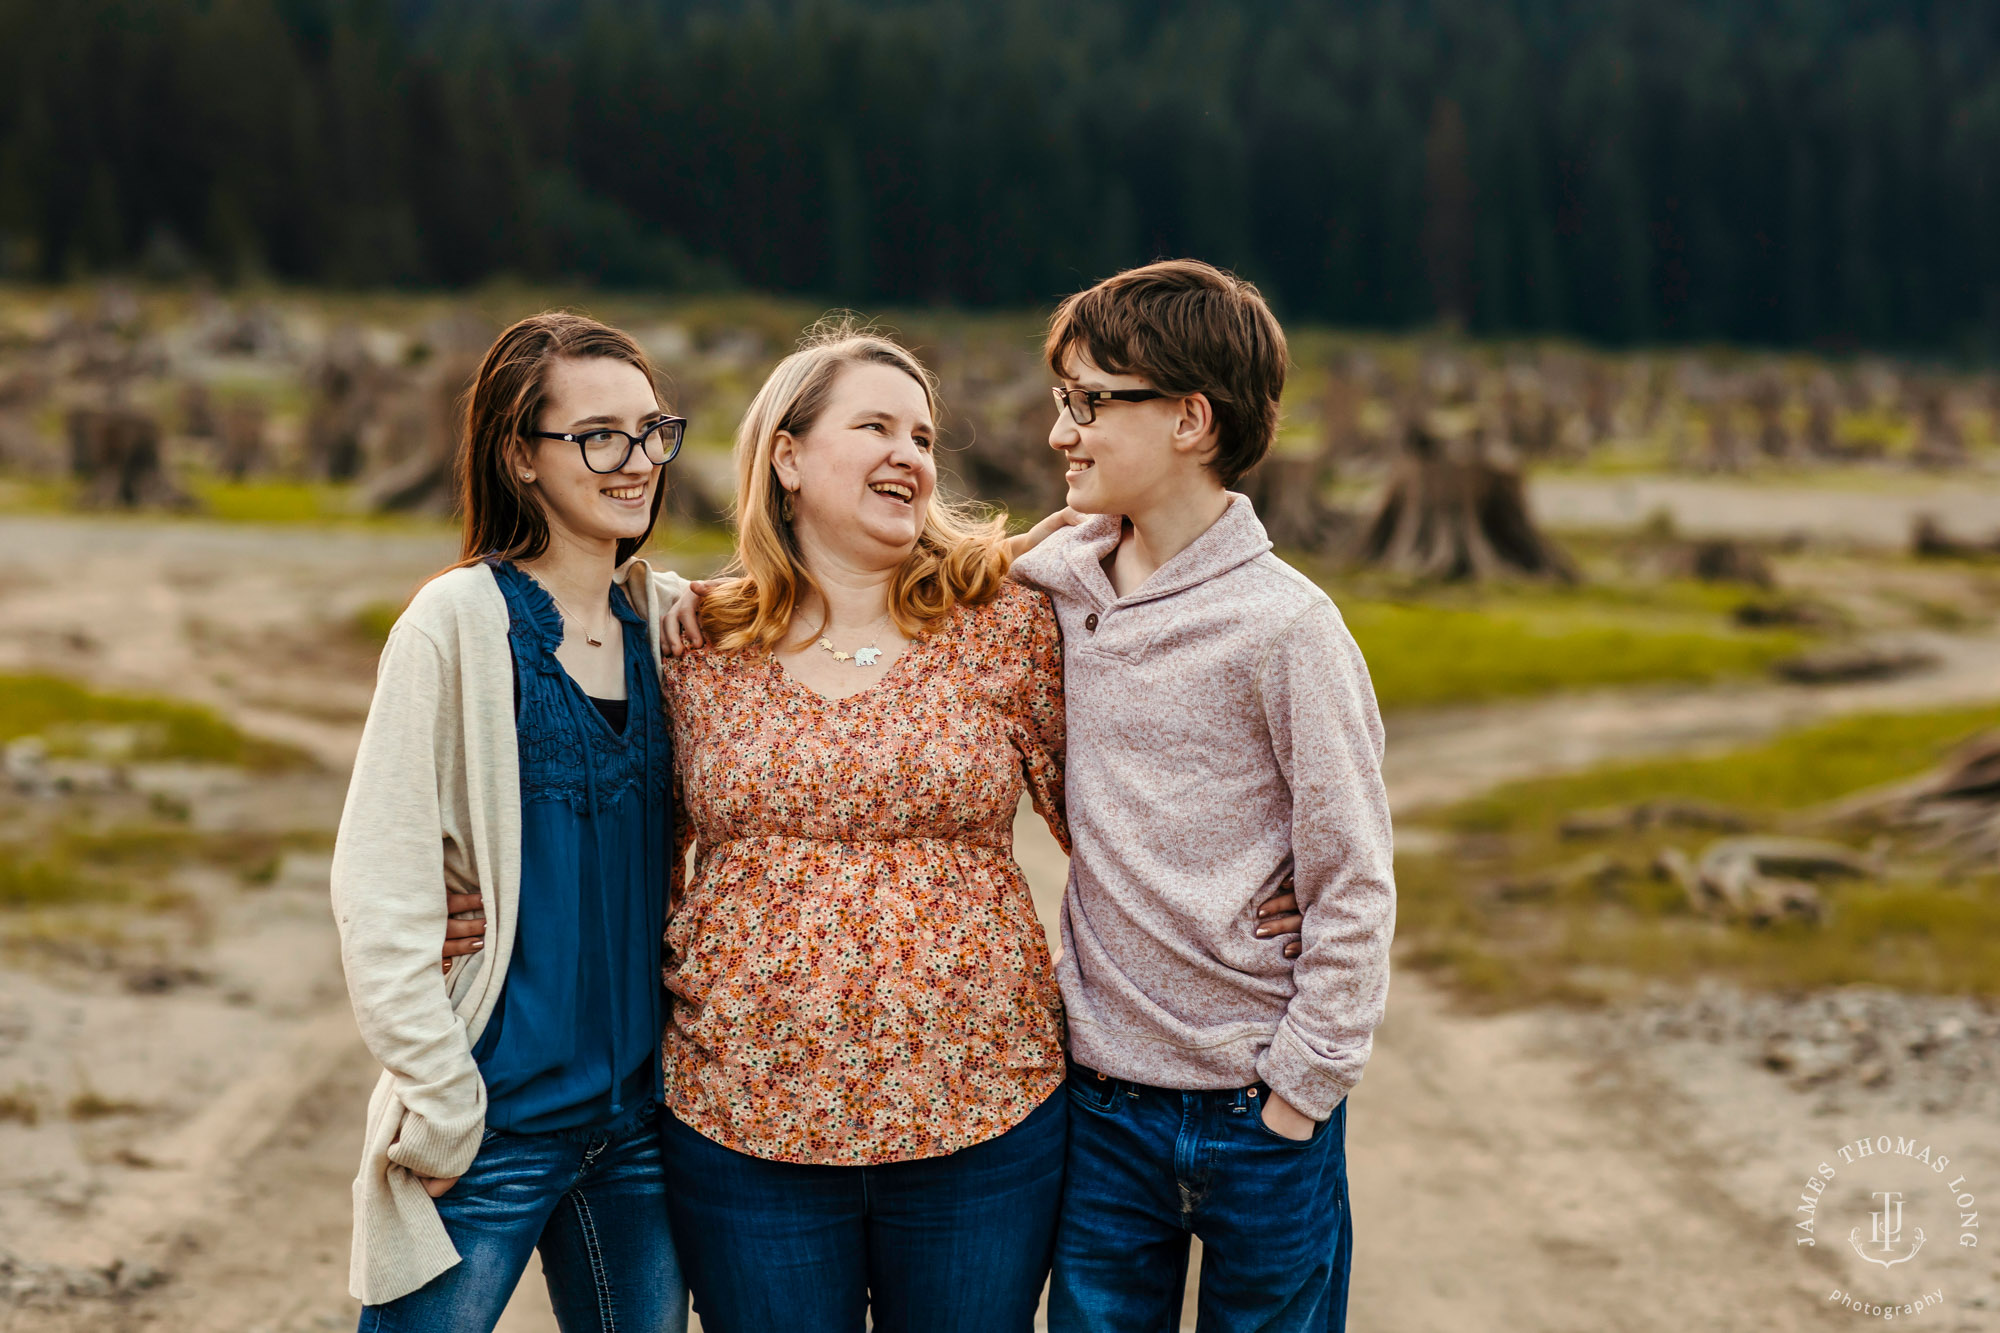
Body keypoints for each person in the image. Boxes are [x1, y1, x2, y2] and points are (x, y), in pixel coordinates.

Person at [1011, 260, 1396, 1333]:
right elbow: (910, 594)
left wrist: (1299, 1090)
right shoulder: (1058, 583)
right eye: (1062, 403)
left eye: (1089, 403)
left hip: (1255, 1114)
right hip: (1100, 1107)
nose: (1060, 434)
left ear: (1189, 418)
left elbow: (1352, 876)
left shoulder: (1288, 628)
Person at [331, 311, 690, 1332]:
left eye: (651, 430)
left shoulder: (664, 626)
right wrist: (443, 1100)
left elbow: (837, 597)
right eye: (596, 436)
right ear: (518, 457)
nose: (635, 462)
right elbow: (378, 882)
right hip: (495, 1119)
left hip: (632, 1130)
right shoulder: (453, 624)